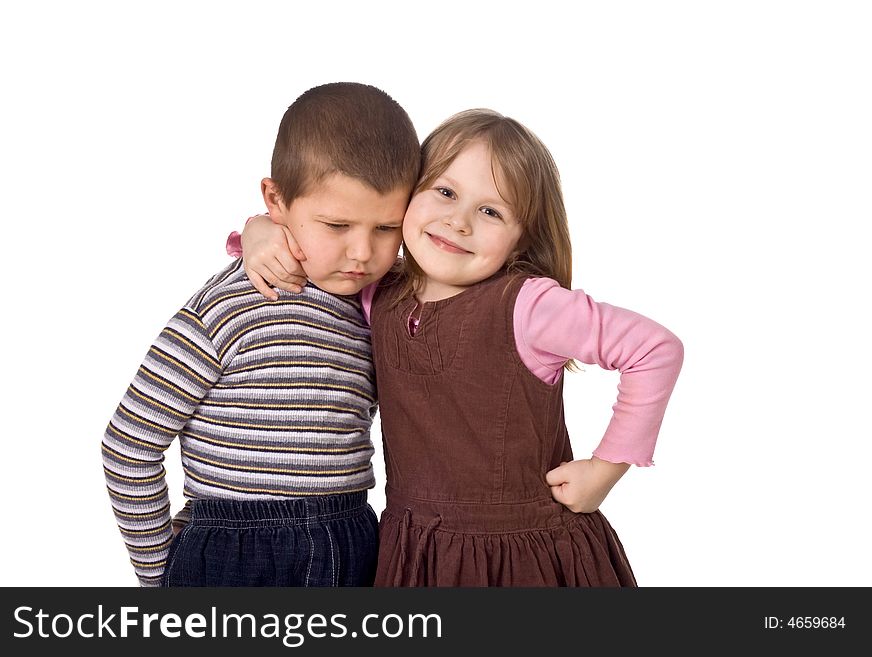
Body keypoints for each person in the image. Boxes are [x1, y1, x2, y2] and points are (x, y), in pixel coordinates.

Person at [232, 108, 684, 586]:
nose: (458, 222)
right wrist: (259, 230)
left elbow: (654, 350)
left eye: (491, 211)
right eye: (445, 192)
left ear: (520, 240)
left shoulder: (530, 305)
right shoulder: (378, 291)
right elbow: (317, 236)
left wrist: (605, 468)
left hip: (524, 559)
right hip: (416, 555)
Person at [101, 82, 420, 586]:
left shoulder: (381, 302)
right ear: (275, 198)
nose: (362, 253)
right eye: (337, 225)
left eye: (386, 229)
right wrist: (157, 573)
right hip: (234, 550)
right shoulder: (227, 307)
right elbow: (130, 444)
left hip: (353, 540)